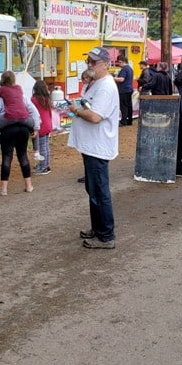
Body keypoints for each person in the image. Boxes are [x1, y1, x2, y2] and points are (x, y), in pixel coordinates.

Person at [68, 46, 119, 249]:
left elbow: (96, 116)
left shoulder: (105, 86)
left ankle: (106, 235)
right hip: (91, 146)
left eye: (93, 62)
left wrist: (76, 111)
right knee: (93, 189)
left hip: (98, 146)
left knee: (99, 190)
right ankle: (98, 229)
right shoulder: (97, 83)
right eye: (88, 61)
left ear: (105, 65)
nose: (89, 65)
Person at [0, 71, 40, 196]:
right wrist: (36, 126)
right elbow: (33, 110)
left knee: (7, 157)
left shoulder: (0, 98)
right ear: (14, 81)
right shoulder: (21, 95)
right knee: (23, 156)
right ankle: (28, 185)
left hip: (8, 130)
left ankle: (4, 189)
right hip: (23, 128)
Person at [31, 80, 52, 175]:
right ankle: (46, 164)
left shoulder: (34, 100)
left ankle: (43, 167)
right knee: (46, 146)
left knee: (42, 147)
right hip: (47, 124)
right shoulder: (47, 98)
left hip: (40, 126)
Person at [114, 56, 134, 126]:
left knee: (123, 106)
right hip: (129, 89)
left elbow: (121, 79)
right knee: (129, 105)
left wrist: (113, 78)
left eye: (119, 62)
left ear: (121, 61)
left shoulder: (124, 69)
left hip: (123, 90)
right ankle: (129, 120)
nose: (119, 64)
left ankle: (123, 121)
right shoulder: (130, 69)